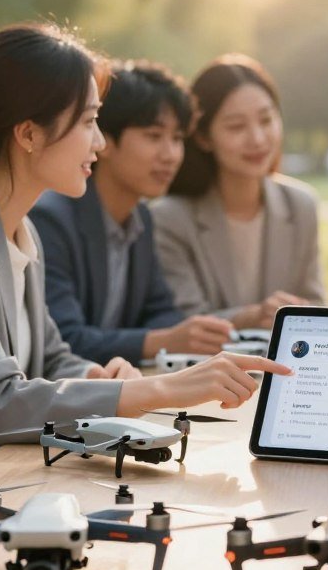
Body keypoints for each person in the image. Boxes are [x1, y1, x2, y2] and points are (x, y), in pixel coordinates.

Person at [0, 25, 290, 518]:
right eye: (89, 122)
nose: (101, 143)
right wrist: (155, 389)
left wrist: (95, 374)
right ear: (28, 133)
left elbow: (50, 356)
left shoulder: (19, 228)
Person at [30, 60, 233, 366]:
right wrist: (162, 341)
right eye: (154, 136)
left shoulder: (141, 217)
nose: (171, 155)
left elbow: (159, 308)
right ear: (106, 141)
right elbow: (64, 338)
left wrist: (191, 333)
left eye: (177, 139)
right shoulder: (52, 219)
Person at [152, 54, 326, 329]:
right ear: (203, 137)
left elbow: (316, 309)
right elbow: (183, 322)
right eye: (236, 126)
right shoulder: (170, 218)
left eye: (266, 120)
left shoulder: (301, 205)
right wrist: (251, 317)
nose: (257, 139)